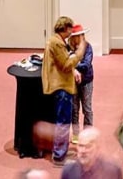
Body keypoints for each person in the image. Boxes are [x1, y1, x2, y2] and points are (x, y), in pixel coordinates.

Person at [42, 16, 86, 166]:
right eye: (70, 29)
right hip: (61, 87)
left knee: (62, 121)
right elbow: (66, 64)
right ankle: (59, 156)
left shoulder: (56, 41)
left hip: (59, 86)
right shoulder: (57, 43)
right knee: (63, 122)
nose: (72, 32)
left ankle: (60, 152)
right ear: (65, 28)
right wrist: (79, 53)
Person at [70, 24, 93, 140]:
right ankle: (75, 134)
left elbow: (86, 66)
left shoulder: (88, 48)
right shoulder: (69, 48)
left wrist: (74, 64)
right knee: (74, 109)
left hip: (86, 81)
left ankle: (88, 134)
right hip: (72, 82)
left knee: (87, 108)